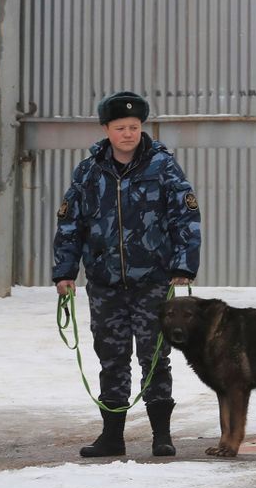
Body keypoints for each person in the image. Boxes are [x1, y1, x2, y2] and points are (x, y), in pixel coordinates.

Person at [52, 91, 201, 458]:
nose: (128, 134)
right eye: (120, 128)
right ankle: (112, 436)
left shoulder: (162, 167)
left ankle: (161, 435)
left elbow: (185, 217)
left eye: (134, 127)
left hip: (153, 281)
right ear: (106, 129)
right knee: (112, 357)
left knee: (154, 357)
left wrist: (183, 265)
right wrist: (65, 271)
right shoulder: (89, 172)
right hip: (105, 283)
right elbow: (71, 223)